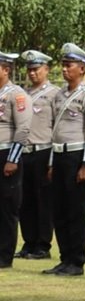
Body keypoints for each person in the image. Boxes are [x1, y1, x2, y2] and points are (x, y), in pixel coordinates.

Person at [42, 43, 85, 277]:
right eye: (63, 65)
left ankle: (76, 260)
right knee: (59, 209)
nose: (65, 69)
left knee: (76, 210)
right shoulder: (58, 95)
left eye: (69, 65)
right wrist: (50, 162)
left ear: (83, 68)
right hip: (59, 154)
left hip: (77, 155)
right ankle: (64, 257)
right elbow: (53, 131)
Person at [15, 50, 58, 261]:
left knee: (43, 201)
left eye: (36, 69)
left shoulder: (54, 94)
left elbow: (58, 126)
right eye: (29, 69)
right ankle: (28, 241)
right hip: (24, 151)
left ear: (46, 70)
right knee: (25, 200)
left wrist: (53, 159)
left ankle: (43, 244)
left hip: (43, 150)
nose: (32, 73)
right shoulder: (22, 94)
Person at [0, 51, 32, 268]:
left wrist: (12, 159)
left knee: (7, 206)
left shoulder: (16, 94)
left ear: (5, 69)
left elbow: (23, 128)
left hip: (6, 153)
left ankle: (4, 256)